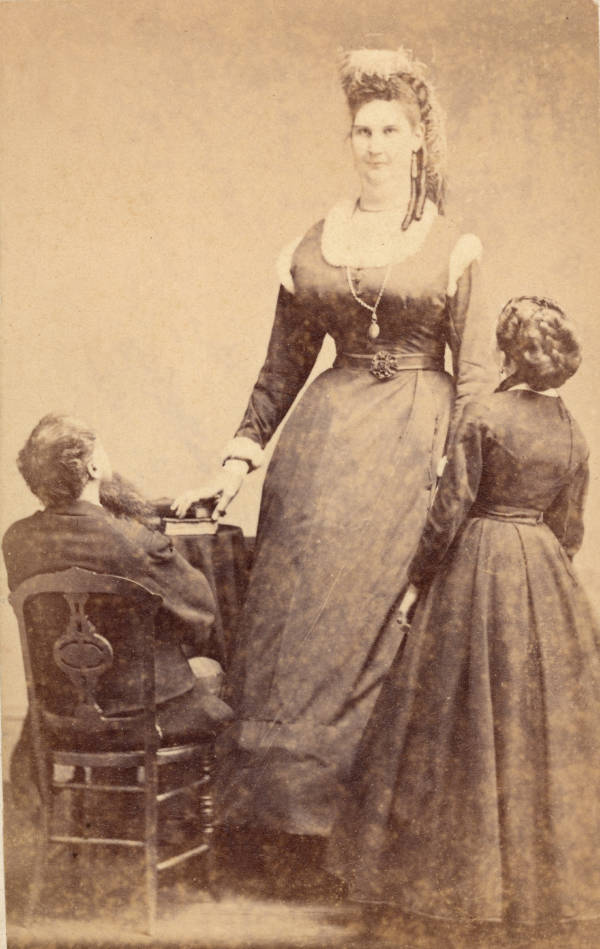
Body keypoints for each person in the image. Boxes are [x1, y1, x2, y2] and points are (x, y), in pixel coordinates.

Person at [174, 47, 497, 846]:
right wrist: (235, 465)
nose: (376, 145)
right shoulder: (315, 243)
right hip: (319, 454)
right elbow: (281, 368)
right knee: (296, 629)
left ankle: (368, 828)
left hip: (410, 446)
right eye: (363, 130)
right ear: (350, 138)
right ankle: (282, 822)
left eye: (391, 129)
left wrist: (453, 468)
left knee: (381, 621)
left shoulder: (453, 245)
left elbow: (478, 378)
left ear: (419, 140)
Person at [329, 297, 600, 925]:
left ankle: (447, 886)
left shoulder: (482, 414)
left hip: (478, 561)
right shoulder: (572, 431)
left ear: (507, 352)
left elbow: (448, 512)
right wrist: (541, 567)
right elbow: (571, 527)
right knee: (536, 724)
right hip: (541, 561)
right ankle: (536, 890)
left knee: (454, 717)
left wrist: (418, 582)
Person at [3, 413, 233, 806]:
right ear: (93, 466)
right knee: (209, 671)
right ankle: (175, 815)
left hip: (59, 714)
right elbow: (201, 613)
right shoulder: (133, 542)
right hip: (139, 720)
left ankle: (110, 808)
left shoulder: (16, 539)